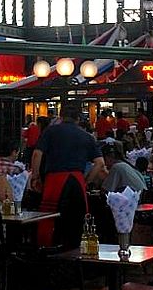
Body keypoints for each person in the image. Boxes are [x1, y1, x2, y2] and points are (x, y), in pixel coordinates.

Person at [30, 101, 105, 247]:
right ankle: (77, 252)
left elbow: (37, 154)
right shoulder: (87, 136)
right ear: (78, 119)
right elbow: (100, 163)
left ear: (60, 116)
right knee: (77, 221)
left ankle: (48, 250)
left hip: (55, 180)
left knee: (50, 219)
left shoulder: (50, 131)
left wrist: (35, 176)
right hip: (76, 181)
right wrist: (86, 180)